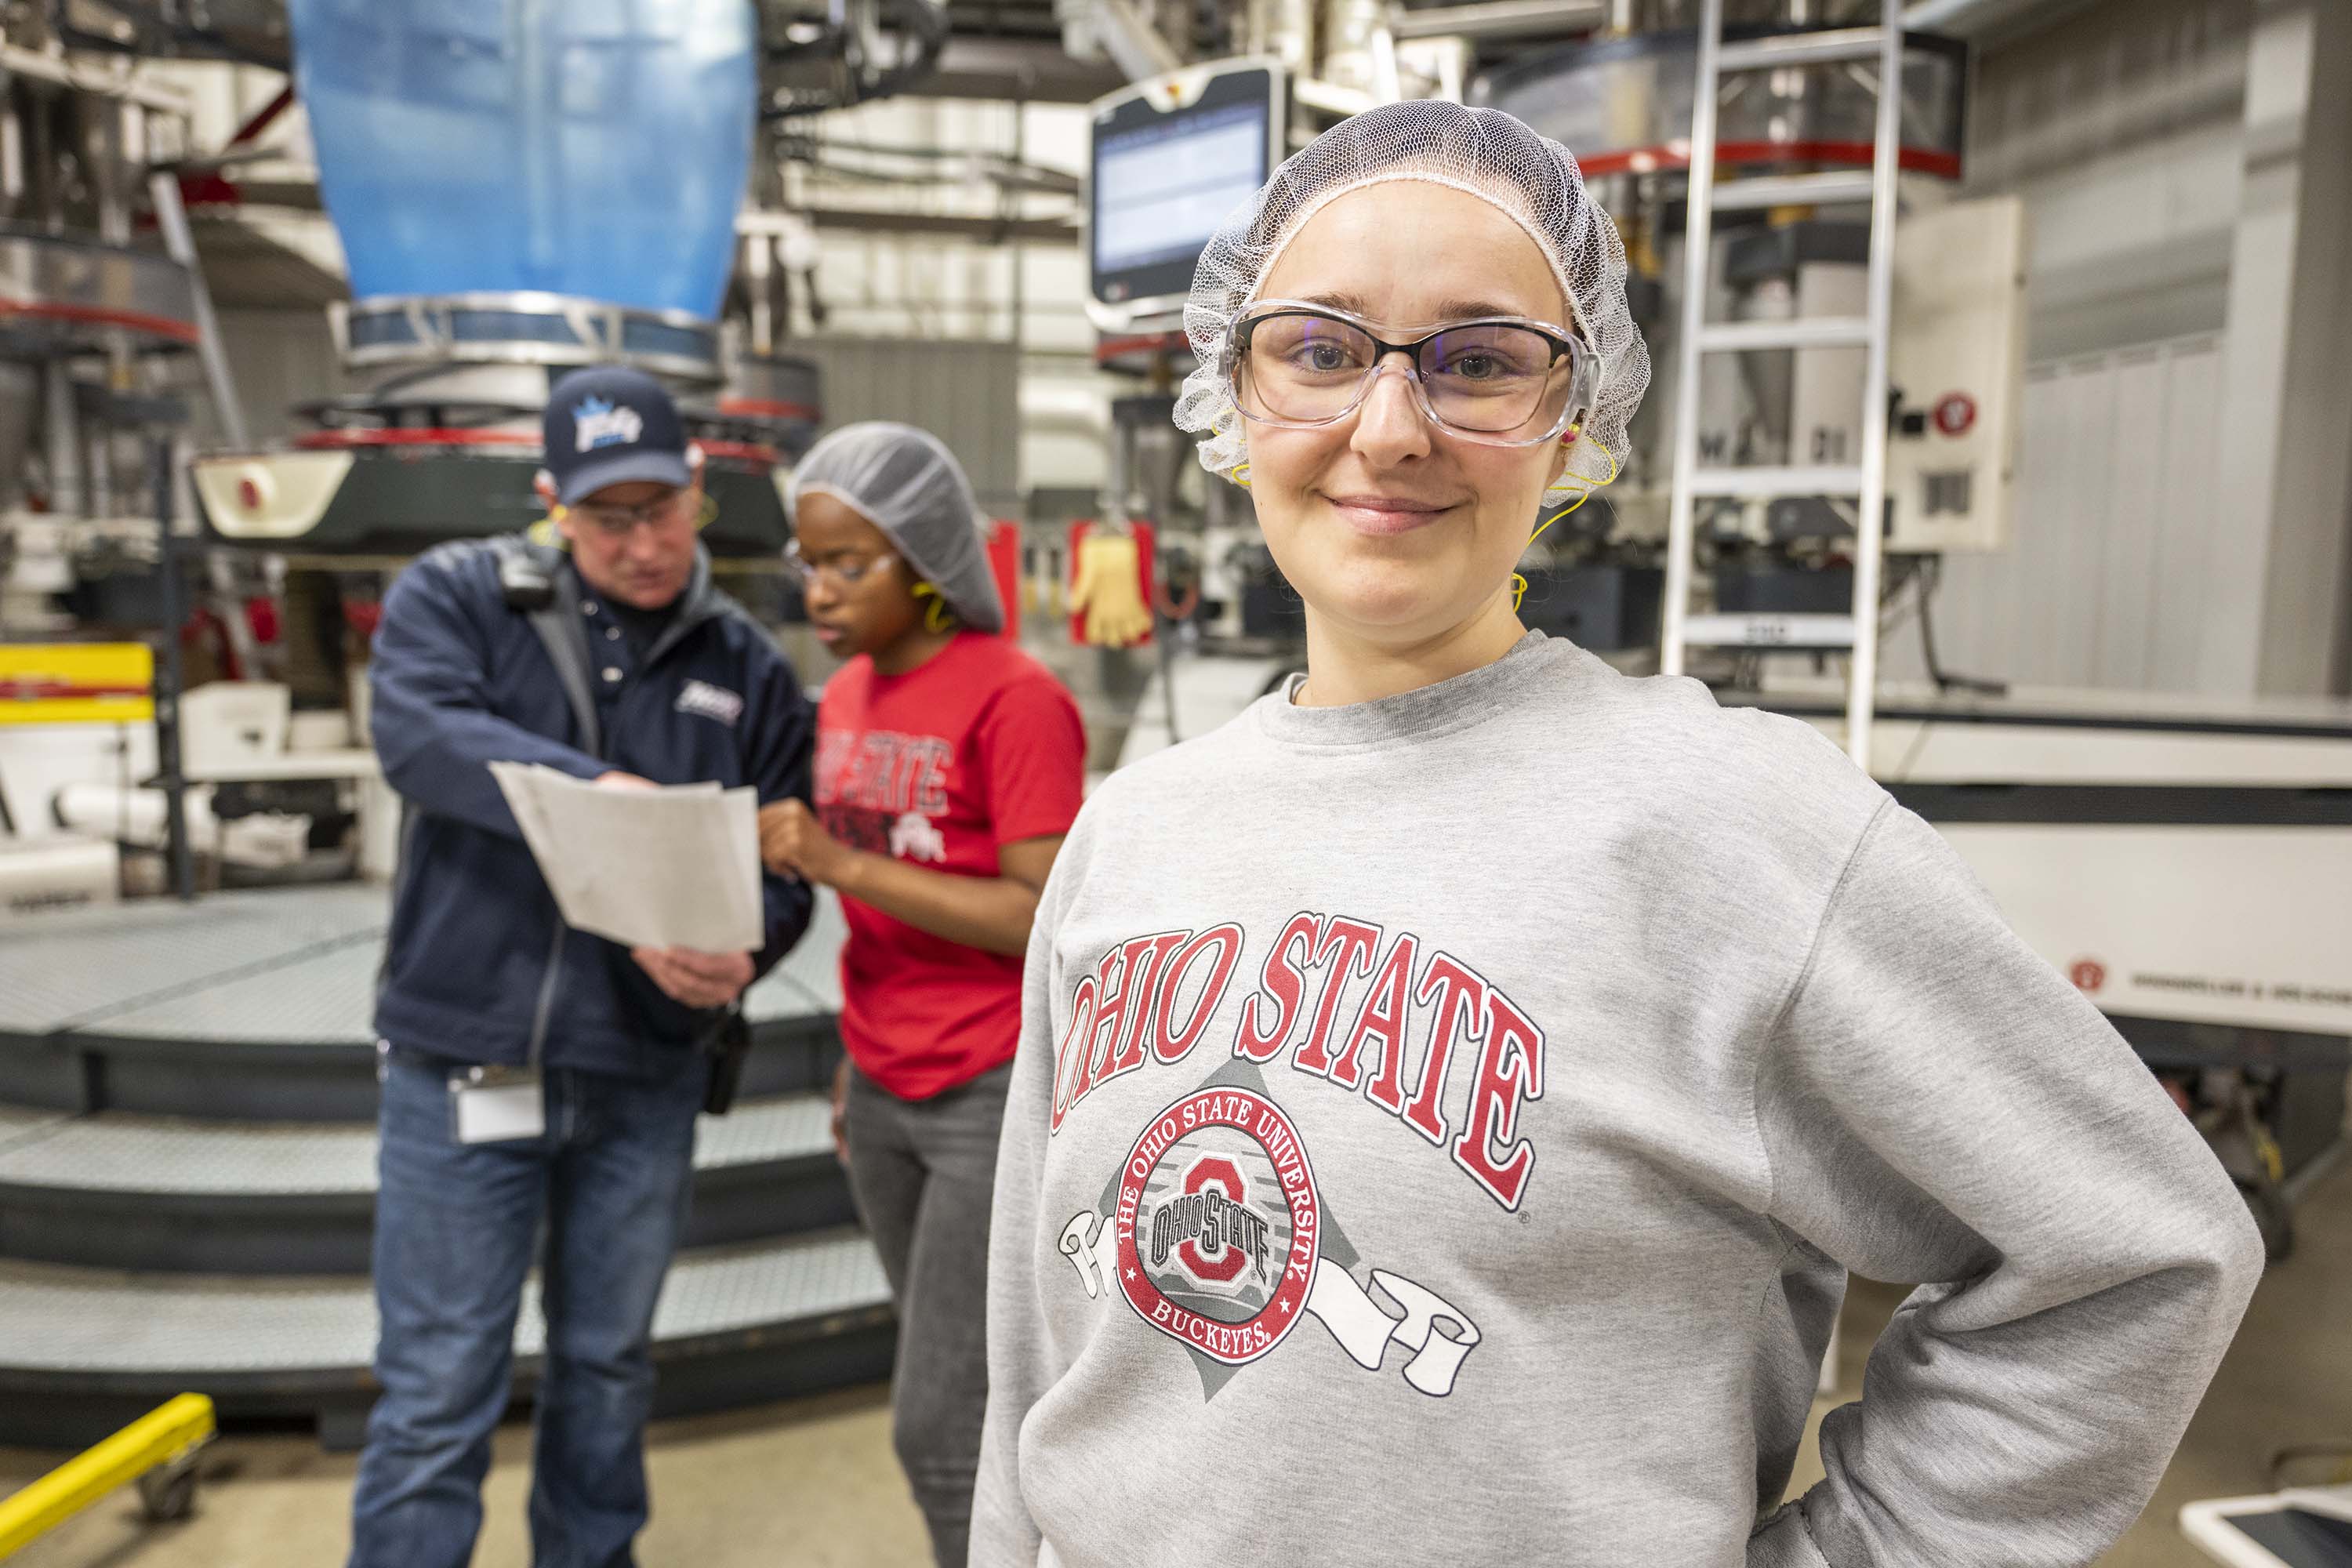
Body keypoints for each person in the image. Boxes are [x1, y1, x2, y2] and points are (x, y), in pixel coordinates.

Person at [972, 101, 2263, 1568]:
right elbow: (1036, 1345)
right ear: (1235, 390)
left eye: (1479, 362)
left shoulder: (1739, 829)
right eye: (1320, 350)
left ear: (1574, 420)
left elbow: (2140, 1251)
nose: (1388, 430)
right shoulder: (1132, 832)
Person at [353, 365, 817, 1568]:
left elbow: (788, 863)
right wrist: (604, 800)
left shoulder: (746, 666)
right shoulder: (460, 598)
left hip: (642, 1079)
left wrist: (745, 949)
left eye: (662, 510)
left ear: (697, 489)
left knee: (607, 1368)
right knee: (437, 1387)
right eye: (608, 518)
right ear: (553, 503)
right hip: (468, 1065)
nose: (644, 544)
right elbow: (418, 734)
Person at [755, 422, 1084, 1568]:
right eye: (810, 564)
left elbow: (1041, 914)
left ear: (929, 561)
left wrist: (840, 864)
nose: (820, 591)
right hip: (883, 1080)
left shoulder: (1015, 698)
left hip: (986, 1085)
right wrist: (859, 1063)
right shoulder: (845, 693)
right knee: (952, 1379)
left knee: (940, 1428)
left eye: (850, 565)